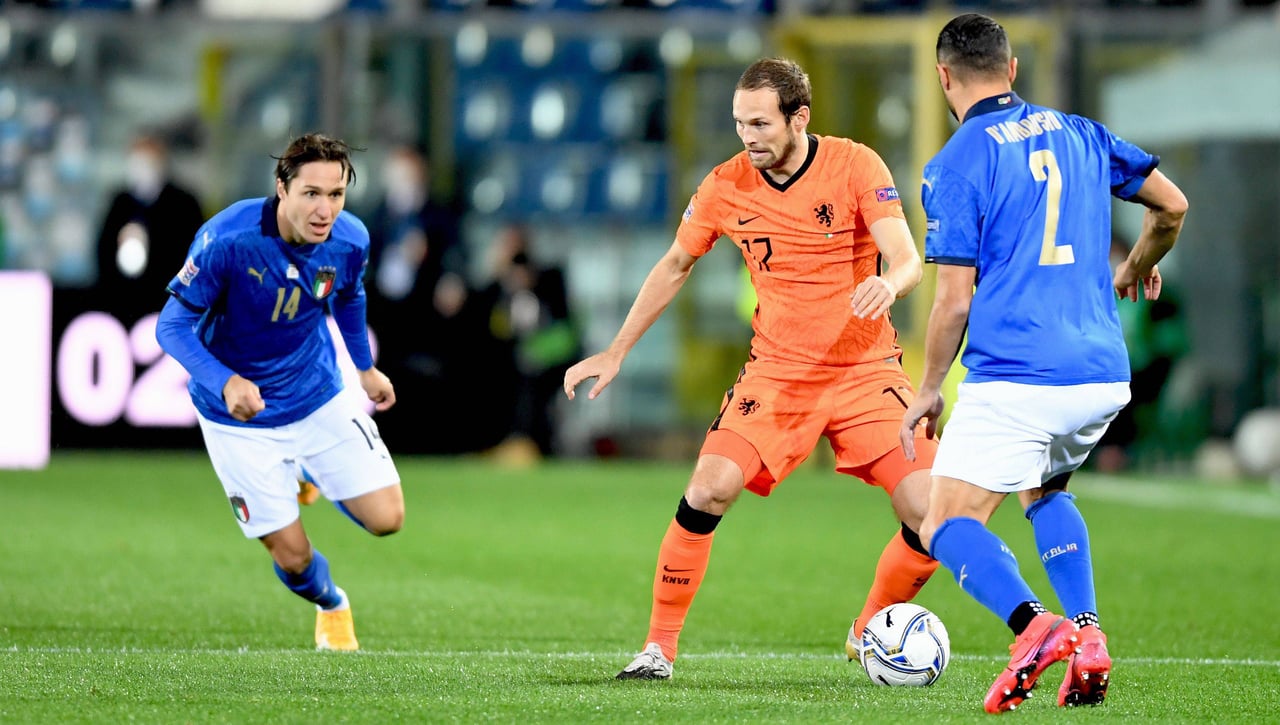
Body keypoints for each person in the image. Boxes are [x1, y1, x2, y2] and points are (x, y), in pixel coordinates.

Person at [563, 57, 941, 680]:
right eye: (739, 123)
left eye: (761, 123)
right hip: (778, 375)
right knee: (707, 486)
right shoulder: (724, 185)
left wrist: (891, 285)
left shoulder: (854, 164)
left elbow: (905, 255)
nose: (748, 136)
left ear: (800, 117)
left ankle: (868, 628)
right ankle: (659, 648)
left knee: (935, 515)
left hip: (865, 371)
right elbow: (674, 265)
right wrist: (617, 349)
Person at [898, 14, 1188, 713]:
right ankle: (1088, 633)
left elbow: (953, 302)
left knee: (944, 521)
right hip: (1099, 373)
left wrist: (931, 385)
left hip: (1019, 375)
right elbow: (1172, 206)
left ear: (944, 77)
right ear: (1013, 69)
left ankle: (1036, 628)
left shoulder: (957, 162)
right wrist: (1137, 266)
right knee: (1045, 491)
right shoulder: (1082, 133)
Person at [155, 133, 405, 651]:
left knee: (388, 519)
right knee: (292, 558)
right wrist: (224, 381)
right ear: (281, 189)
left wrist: (365, 369)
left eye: (335, 195)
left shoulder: (350, 240)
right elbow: (171, 326)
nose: (325, 209)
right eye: (311, 193)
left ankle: (307, 471)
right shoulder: (226, 239)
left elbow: (349, 296)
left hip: (315, 394)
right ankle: (332, 601)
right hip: (240, 418)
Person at [479, 223, 581, 458]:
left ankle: (533, 444)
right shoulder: (496, 289)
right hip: (510, 364)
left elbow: (565, 331)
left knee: (532, 381)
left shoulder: (550, 279)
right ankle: (505, 442)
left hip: (550, 363)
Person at [96, 133, 206, 319]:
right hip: (125, 303)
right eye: (136, 162)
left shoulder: (184, 204)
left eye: (147, 163)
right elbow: (103, 250)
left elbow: (197, 253)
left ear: (161, 164)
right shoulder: (120, 203)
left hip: (171, 303)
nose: (140, 170)